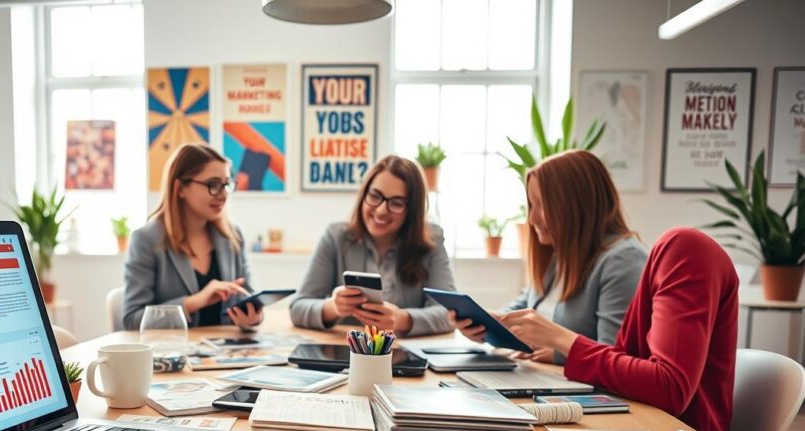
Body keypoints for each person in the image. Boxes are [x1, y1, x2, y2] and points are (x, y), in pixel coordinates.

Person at [498, 227, 739, 431]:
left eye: (541, 204)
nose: (533, 219)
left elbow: (670, 387)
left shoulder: (684, 247)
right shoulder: (563, 259)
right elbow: (628, 361)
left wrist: (565, 341)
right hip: (645, 425)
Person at [451, 150, 647, 363]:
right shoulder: (560, 254)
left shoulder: (623, 261)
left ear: (576, 205)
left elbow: (617, 358)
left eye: (541, 205)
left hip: (581, 390)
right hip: (540, 376)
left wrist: (558, 354)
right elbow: (524, 308)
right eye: (531, 205)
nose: (532, 218)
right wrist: (483, 325)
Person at [289, 155, 456, 337]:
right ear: (364, 194)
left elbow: (448, 313)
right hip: (346, 352)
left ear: (412, 211)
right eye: (375, 196)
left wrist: (402, 319)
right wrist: (332, 307)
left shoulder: (432, 239)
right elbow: (298, 307)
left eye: (397, 203)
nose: (381, 210)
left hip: (403, 354)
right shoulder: (336, 237)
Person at [121, 144, 260, 331]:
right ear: (180, 188)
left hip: (226, 356)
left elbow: (247, 298)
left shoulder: (233, 237)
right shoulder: (147, 240)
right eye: (213, 184)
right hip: (173, 354)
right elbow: (132, 320)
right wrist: (193, 302)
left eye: (227, 185)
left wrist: (252, 317)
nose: (223, 194)